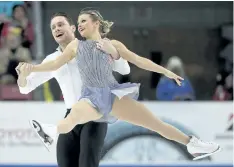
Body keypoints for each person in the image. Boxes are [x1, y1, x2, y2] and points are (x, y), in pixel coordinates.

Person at [21, 9, 220, 161]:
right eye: (79, 21)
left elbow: (138, 61)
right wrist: (32, 68)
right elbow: (54, 64)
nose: (80, 25)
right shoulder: (76, 46)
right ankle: (49, 132)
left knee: (155, 124)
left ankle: (192, 144)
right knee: (73, 116)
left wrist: (167, 72)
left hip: (112, 95)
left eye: (83, 21)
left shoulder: (113, 44)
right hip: (90, 97)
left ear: (96, 23)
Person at [16, 12, 131, 167]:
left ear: (72, 28)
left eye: (60, 24)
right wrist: (22, 75)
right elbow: (25, 88)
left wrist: (114, 52)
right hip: (71, 116)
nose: (56, 29)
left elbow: (125, 69)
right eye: (53, 27)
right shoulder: (51, 59)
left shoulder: (93, 47)